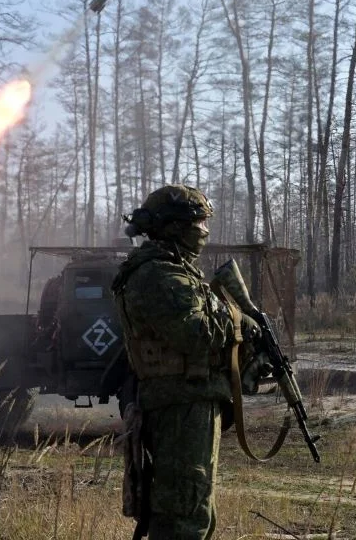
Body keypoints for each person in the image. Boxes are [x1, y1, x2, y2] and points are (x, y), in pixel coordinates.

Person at [111, 184, 241, 540]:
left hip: (186, 402)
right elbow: (195, 335)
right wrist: (236, 319)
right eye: (198, 222)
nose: (204, 230)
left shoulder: (172, 270)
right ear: (174, 227)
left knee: (193, 507)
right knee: (183, 513)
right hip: (180, 406)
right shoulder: (161, 275)